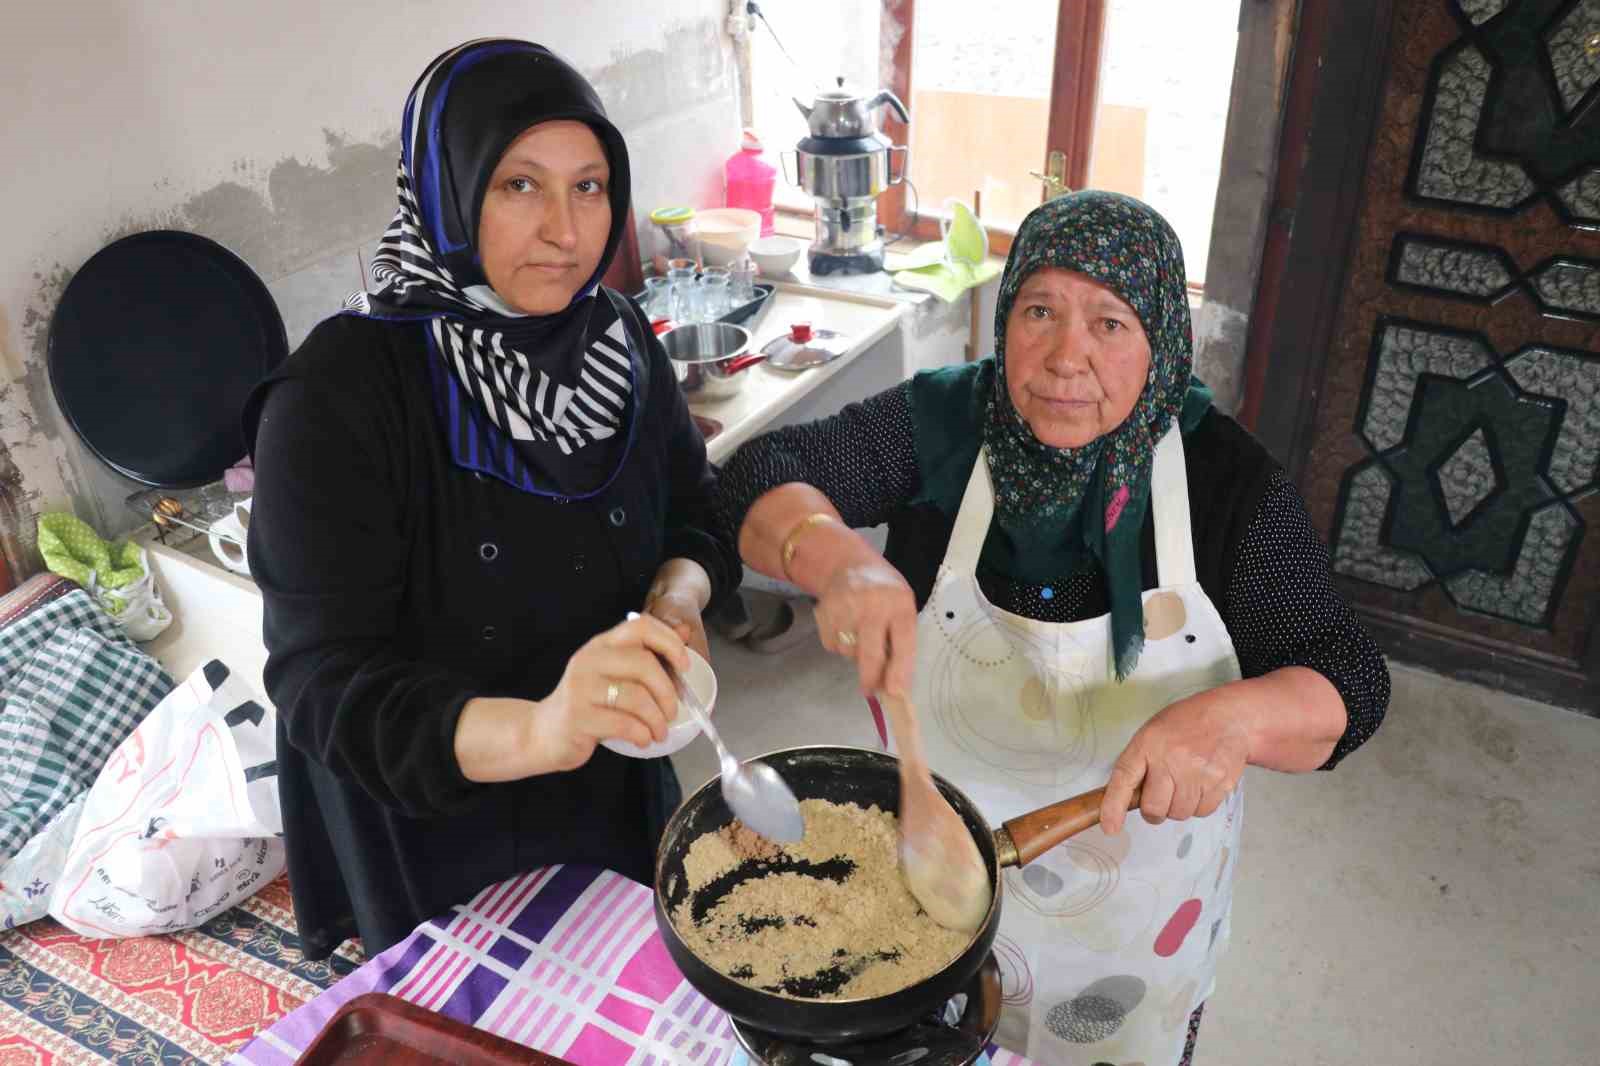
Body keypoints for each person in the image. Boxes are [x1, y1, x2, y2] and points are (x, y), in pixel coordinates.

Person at [715, 191, 1388, 1064]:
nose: (1067, 358)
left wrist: (1232, 721)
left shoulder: (1227, 483)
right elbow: (760, 472)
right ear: (1006, 318)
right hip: (936, 871)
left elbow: (1349, 681)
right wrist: (834, 558)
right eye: (1040, 311)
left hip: (1135, 918)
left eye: (1111, 323)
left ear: (1161, 341)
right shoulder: (949, 424)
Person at [244, 39, 738, 962]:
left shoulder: (618, 337)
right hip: (440, 815)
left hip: (612, 770)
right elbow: (321, 683)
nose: (566, 230)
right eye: (520, 185)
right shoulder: (342, 392)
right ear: (446, 188)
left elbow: (694, 509)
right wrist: (542, 727)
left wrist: (677, 599)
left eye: (590, 186)